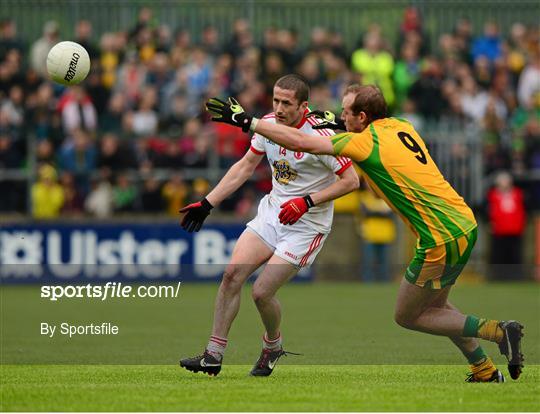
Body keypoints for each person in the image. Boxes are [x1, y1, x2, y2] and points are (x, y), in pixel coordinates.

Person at [205, 84, 524, 383]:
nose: (338, 116)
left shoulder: (361, 143)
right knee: (436, 306)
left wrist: (248, 121)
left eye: (345, 112)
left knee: (409, 315)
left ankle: (498, 331)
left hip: (439, 236)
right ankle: (482, 368)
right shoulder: (401, 125)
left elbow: (300, 141)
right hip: (462, 223)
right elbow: (359, 132)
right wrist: (333, 120)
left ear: (362, 117)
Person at [180, 74, 358, 376]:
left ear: (304, 106)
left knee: (261, 292)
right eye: (275, 100)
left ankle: (273, 345)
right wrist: (208, 202)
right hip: (273, 214)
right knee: (231, 274)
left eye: (286, 103)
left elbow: (352, 181)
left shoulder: (322, 136)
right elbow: (245, 166)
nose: (279, 108)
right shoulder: (267, 124)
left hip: (307, 226)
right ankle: (213, 354)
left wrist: (307, 202)